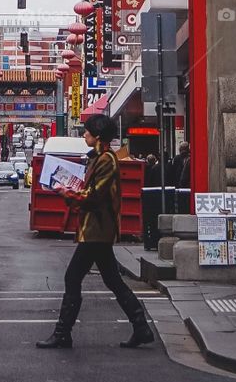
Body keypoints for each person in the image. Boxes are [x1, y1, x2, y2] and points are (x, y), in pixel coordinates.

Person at [37, 113, 153, 351]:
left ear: (98, 136)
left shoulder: (106, 160)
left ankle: (63, 333)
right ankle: (141, 327)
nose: (84, 135)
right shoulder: (98, 158)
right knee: (112, 280)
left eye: (88, 131)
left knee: (73, 277)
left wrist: (65, 191)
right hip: (96, 228)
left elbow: (94, 196)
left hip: (96, 229)